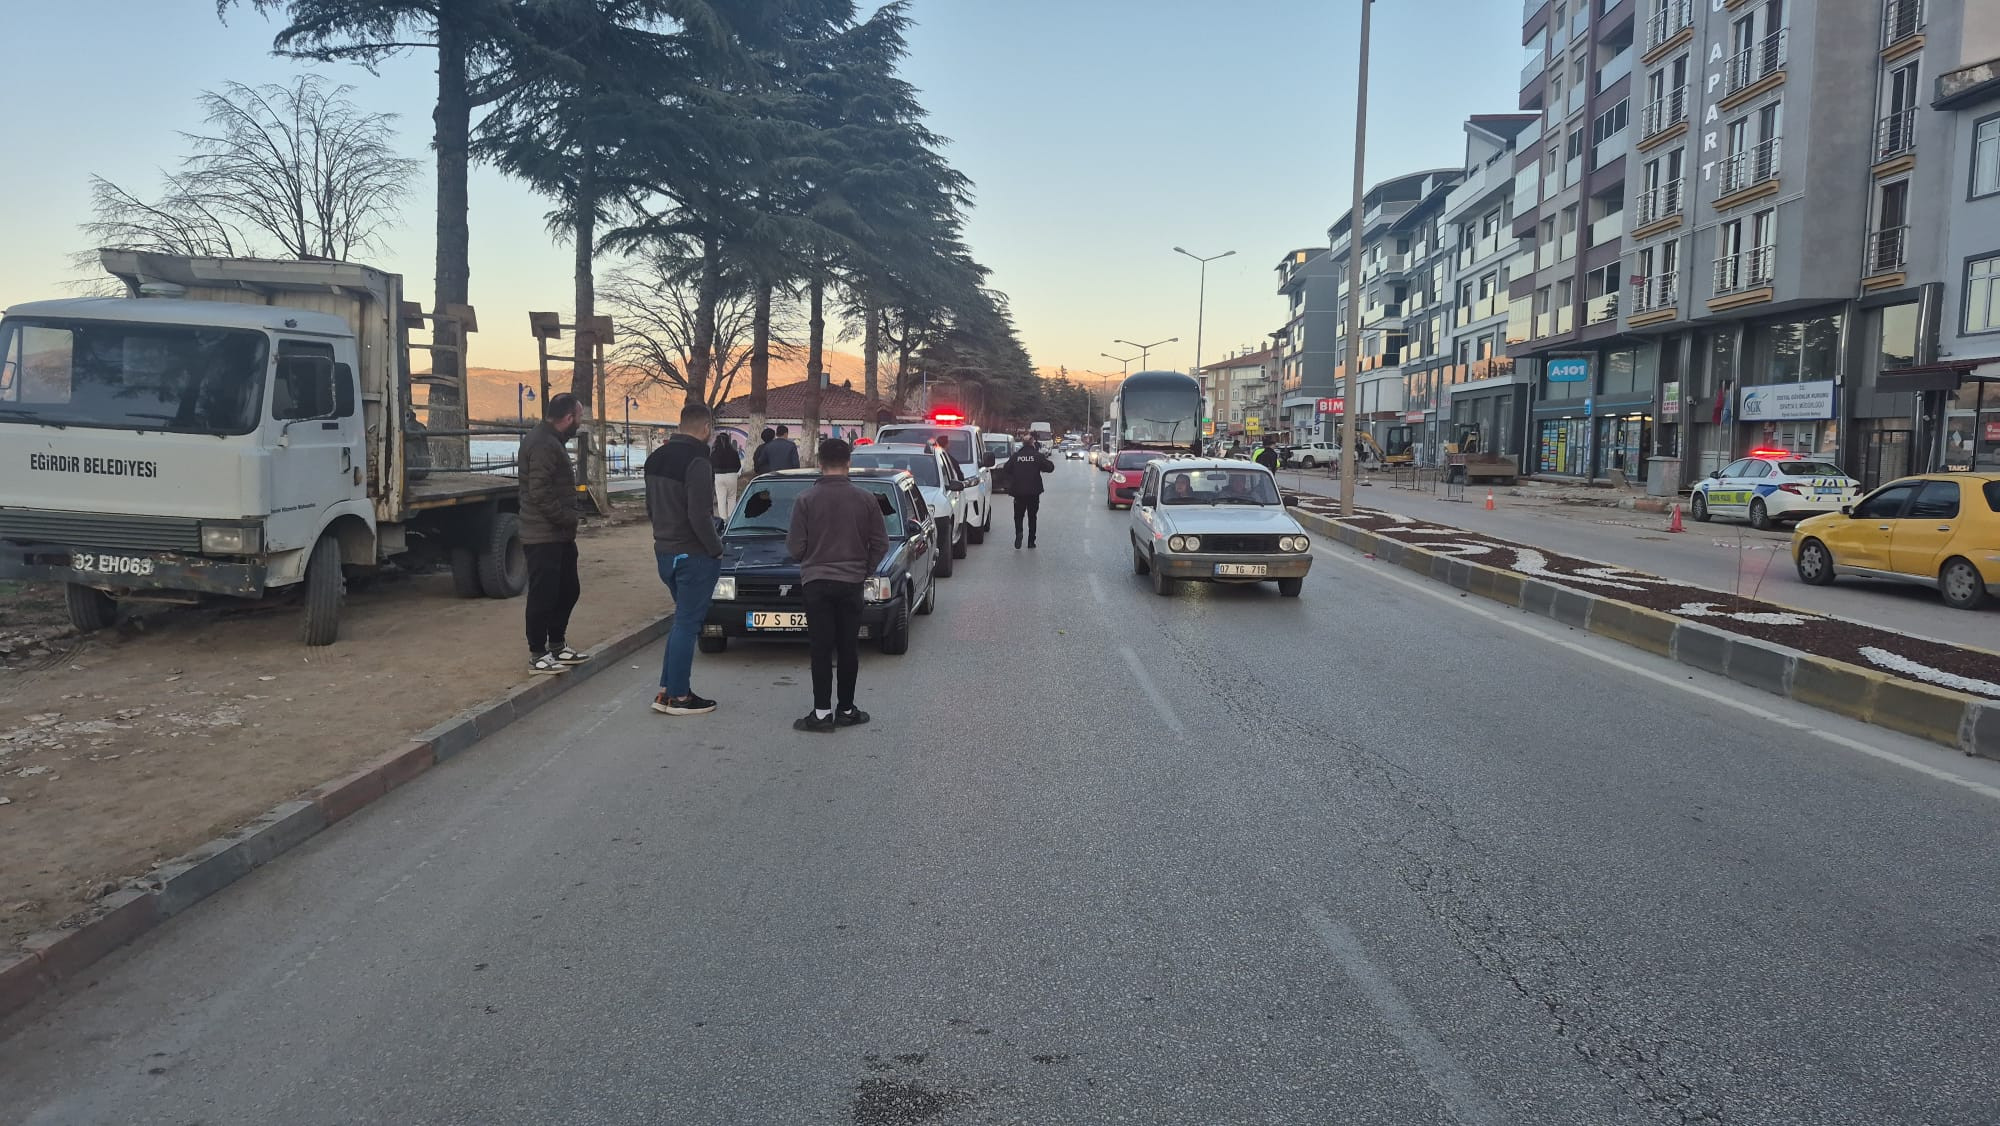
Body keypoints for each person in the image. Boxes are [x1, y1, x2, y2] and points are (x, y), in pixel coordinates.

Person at [785, 438, 888, 733]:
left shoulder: (805, 499)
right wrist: (864, 569)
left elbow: (795, 548)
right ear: (848, 463)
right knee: (847, 647)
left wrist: (812, 559)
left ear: (820, 463)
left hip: (816, 583)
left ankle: (821, 714)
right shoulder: (866, 499)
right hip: (851, 582)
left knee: (820, 648)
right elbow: (880, 543)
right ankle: (846, 709)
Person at [645, 402, 726, 716]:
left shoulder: (655, 458)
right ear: (706, 428)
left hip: (664, 550)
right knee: (688, 624)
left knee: (681, 620)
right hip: (693, 554)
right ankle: (679, 696)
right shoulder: (698, 461)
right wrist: (716, 548)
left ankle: (667, 689)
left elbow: (650, 508)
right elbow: (699, 514)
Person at [518, 393, 588, 675]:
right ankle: (537, 653)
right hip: (543, 534)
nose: (580, 423)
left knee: (568, 589)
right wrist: (565, 517)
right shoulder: (543, 443)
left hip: (559, 535)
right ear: (569, 418)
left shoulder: (552, 440)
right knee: (543, 594)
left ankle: (557, 644)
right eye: (579, 417)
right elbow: (539, 492)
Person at [1003, 435, 1054, 548]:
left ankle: (1019, 533)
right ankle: (1031, 541)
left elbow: (1006, 469)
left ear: (1022, 443)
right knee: (1032, 516)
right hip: (1033, 492)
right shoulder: (1037, 456)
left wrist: (1013, 478)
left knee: (1018, 516)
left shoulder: (1016, 456)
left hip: (1019, 492)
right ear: (1032, 443)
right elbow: (1050, 467)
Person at [711, 431, 743, 517]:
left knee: (721, 499)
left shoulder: (714, 453)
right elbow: (738, 465)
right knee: (731, 498)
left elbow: (711, 466)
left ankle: (723, 519)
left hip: (718, 476)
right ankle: (731, 518)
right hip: (732, 476)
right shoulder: (734, 452)